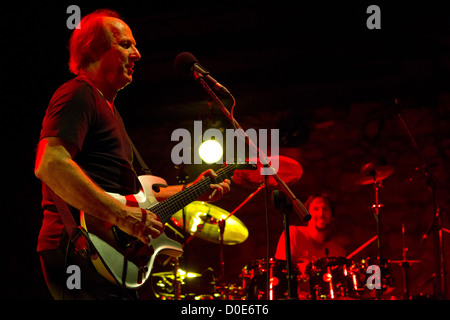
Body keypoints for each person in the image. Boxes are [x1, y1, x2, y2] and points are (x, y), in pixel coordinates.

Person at [34, 9, 231, 300]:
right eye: (126, 45)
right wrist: (123, 218)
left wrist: (193, 189)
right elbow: (50, 164)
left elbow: (137, 197)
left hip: (109, 250)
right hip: (77, 247)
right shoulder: (78, 93)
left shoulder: (110, 110)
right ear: (93, 49)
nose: (137, 54)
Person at [275, 193, 348, 270]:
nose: (321, 214)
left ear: (332, 216)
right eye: (316, 209)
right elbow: (282, 270)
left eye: (325, 209)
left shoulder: (338, 251)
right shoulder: (293, 234)